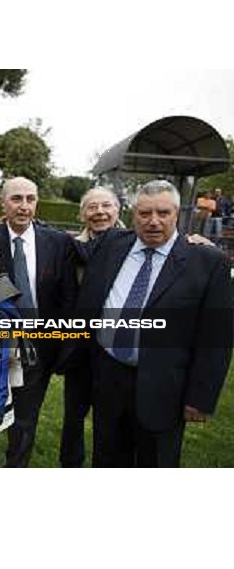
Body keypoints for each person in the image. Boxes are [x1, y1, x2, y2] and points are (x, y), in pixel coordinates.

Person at [70, 179, 232, 467]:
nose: (153, 221)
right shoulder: (110, 244)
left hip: (164, 388)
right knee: (106, 460)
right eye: (145, 214)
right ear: (133, 214)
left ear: (178, 214)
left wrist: (202, 397)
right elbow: (63, 246)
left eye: (163, 213)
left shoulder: (207, 262)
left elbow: (216, 337)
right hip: (108, 378)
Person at [0, 177, 78, 467]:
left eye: (30, 199)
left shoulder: (58, 242)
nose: (24, 206)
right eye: (16, 199)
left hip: (40, 346)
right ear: (3, 202)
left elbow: (69, 297)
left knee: (25, 419)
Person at [59, 186, 122, 467]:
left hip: (117, 348)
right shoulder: (71, 247)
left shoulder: (136, 243)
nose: (100, 212)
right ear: (82, 213)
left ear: (118, 210)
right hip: (80, 346)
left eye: (106, 206)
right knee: (73, 416)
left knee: (111, 420)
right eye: (92, 207)